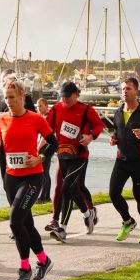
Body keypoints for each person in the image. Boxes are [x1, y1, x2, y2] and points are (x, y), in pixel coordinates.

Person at [0, 78, 58, 280]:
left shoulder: (35, 119)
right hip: (11, 178)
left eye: (12, 97)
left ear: (22, 96)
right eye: (6, 98)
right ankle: (44, 260)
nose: (9, 101)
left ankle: (24, 269)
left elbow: (53, 143)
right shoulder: (1, 119)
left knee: (14, 222)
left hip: (32, 178)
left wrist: (40, 158)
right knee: (25, 224)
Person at [47, 82, 104, 242]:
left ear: (76, 94)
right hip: (62, 155)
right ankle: (87, 214)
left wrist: (90, 136)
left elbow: (99, 125)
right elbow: (47, 129)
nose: (65, 99)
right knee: (73, 189)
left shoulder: (86, 109)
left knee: (66, 187)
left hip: (80, 156)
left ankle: (62, 229)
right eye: (63, 96)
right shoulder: (55, 110)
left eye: (68, 96)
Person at [109, 78, 140, 243]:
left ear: (136, 91)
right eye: (123, 88)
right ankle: (128, 221)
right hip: (121, 159)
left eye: (129, 88)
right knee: (113, 193)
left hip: (139, 161)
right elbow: (117, 131)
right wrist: (114, 139)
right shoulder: (118, 112)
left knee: (139, 196)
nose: (125, 91)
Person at [35, 98, 53, 204]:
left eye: (41, 106)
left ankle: (42, 197)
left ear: (47, 106)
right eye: (37, 106)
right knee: (45, 172)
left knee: (44, 172)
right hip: (42, 145)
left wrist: (37, 148)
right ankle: (46, 197)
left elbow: (45, 137)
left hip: (46, 146)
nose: (39, 108)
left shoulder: (48, 118)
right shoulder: (41, 117)